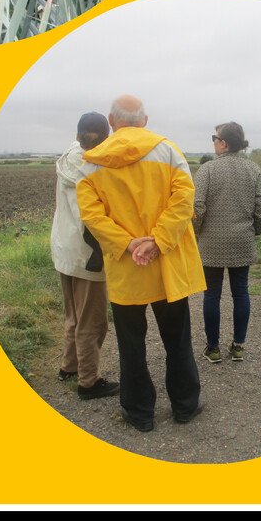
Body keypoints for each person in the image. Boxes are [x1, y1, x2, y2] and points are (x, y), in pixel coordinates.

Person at [76, 95, 206, 432]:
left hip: (125, 269)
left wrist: (128, 243)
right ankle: (185, 405)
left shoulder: (91, 163)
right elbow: (184, 199)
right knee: (177, 339)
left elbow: (91, 215)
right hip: (166, 268)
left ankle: (139, 412)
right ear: (144, 121)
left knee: (131, 344)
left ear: (112, 121)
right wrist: (158, 241)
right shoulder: (169, 152)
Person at [50, 112, 118, 400]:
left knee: (74, 316)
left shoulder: (68, 156)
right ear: (107, 138)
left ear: (78, 136)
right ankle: (89, 382)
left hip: (64, 249)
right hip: (88, 254)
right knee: (93, 321)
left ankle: (69, 366)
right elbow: (95, 219)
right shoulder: (93, 169)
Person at [192, 122, 261, 363]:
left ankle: (213, 348)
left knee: (211, 295)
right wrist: (253, 231)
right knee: (241, 293)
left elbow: (197, 207)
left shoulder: (206, 170)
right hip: (242, 241)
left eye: (214, 138)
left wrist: (197, 233)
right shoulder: (253, 170)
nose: (213, 142)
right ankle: (238, 346)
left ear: (224, 143)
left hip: (211, 243)